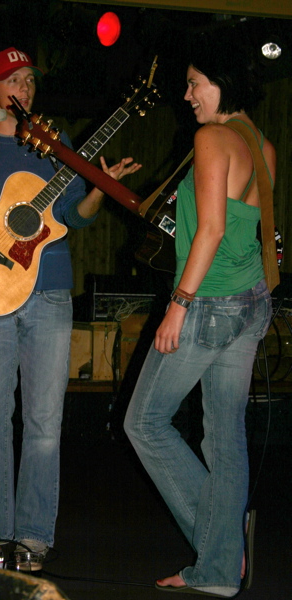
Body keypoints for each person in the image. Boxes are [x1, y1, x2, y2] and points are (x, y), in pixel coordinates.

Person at [0, 47, 141, 559]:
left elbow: (79, 215)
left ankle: (33, 535)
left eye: (29, 80)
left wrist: (99, 187)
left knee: (45, 423)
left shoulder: (55, 144)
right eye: (13, 81)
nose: (23, 89)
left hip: (48, 291)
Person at [124, 38, 275, 597]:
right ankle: (218, 570)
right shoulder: (262, 143)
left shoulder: (212, 138)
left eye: (194, 83)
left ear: (223, 81)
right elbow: (245, 230)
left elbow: (210, 229)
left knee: (144, 423)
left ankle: (220, 552)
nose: (186, 95)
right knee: (225, 437)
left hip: (208, 305)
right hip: (251, 302)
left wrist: (177, 307)